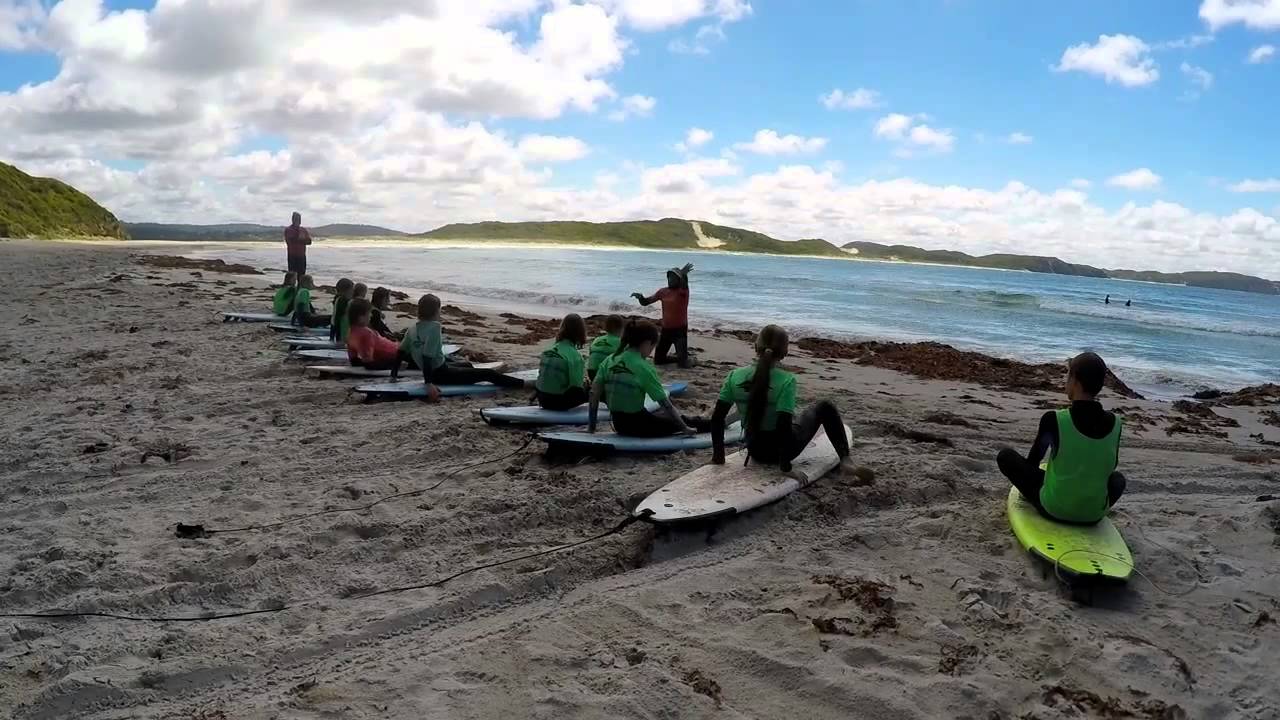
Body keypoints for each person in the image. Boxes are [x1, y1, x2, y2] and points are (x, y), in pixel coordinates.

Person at [996, 352, 1126, 525]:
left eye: (1067, 375)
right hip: (1093, 515)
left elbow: (1033, 463)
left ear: (1075, 380)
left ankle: (1057, 502)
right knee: (1118, 480)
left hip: (1054, 508)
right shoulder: (1117, 423)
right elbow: (1108, 467)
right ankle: (1088, 507)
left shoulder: (1054, 419)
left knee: (1006, 456)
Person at [711, 325, 851, 474]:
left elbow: (717, 419)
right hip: (781, 453)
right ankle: (846, 460)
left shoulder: (734, 376)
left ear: (755, 346)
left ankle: (718, 457)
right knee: (824, 406)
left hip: (754, 450)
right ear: (785, 352)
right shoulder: (786, 380)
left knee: (786, 415)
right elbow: (783, 426)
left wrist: (719, 456)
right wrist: (786, 467)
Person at [394, 294, 529, 402]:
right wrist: (428, 384)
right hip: (440, 375)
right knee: (489, 374)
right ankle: (525, 384)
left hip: (438, 370)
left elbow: (400, 352)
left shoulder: (412, 328)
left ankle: (492, 373)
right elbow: (427, 357)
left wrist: (393, 375)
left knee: (467, 364)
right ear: (436, 311)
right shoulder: (435, 327)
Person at [588, 320, 705, 437]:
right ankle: (716, 423)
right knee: (684, 420)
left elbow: (594, 394)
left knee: (662, 416)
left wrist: (591, 427)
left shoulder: (610, 360)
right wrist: (684, 428)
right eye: (652, 347)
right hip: (640, 426)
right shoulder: (643, 368)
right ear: (647, 343)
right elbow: (665, 404)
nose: (650, 352)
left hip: (618, 424)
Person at [631, 263, 694, 367]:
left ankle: (688, 360)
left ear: (679, 280)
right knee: (658, 361)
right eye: (669, 277)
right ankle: (678, 358)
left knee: (683, 365)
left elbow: (685, 283)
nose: (670, 280)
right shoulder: (663, 291)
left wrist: (683, 274)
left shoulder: (683, 292)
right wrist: (640, 298)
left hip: (680, 331)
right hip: (666, 330)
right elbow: (646, 302)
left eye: (673, 278)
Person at [537, 314, 589, 411]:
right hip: (558, 402)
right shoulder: (575, 356)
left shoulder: (548, 350)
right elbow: (576, 387)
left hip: (541, 398)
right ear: (580, 332)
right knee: (590, 389)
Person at [346, 299, 402, 370]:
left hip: (395, 348)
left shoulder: (350, 332)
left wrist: (362, 363)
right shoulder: (367, 333)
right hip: (396, 352)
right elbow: (368, 363)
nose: (371, 315)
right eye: (369, 313)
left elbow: (353, 360)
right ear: (361, 317)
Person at [587, 314, 624, 382]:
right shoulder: (621, 342)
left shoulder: (597, 339)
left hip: (591, 372)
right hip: (606, 374)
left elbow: (591, 353)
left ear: (605, 328)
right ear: (621, 329)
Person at [329, 278, 355, 344]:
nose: (353, 292)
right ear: (345, 291)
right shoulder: (343, 300)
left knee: (337, 335)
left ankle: (335, 341)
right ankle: (338, 343)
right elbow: (339, 314)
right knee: (340, 337)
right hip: (340, 323)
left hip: (337, 322)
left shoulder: (339, 298)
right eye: (352, 289)